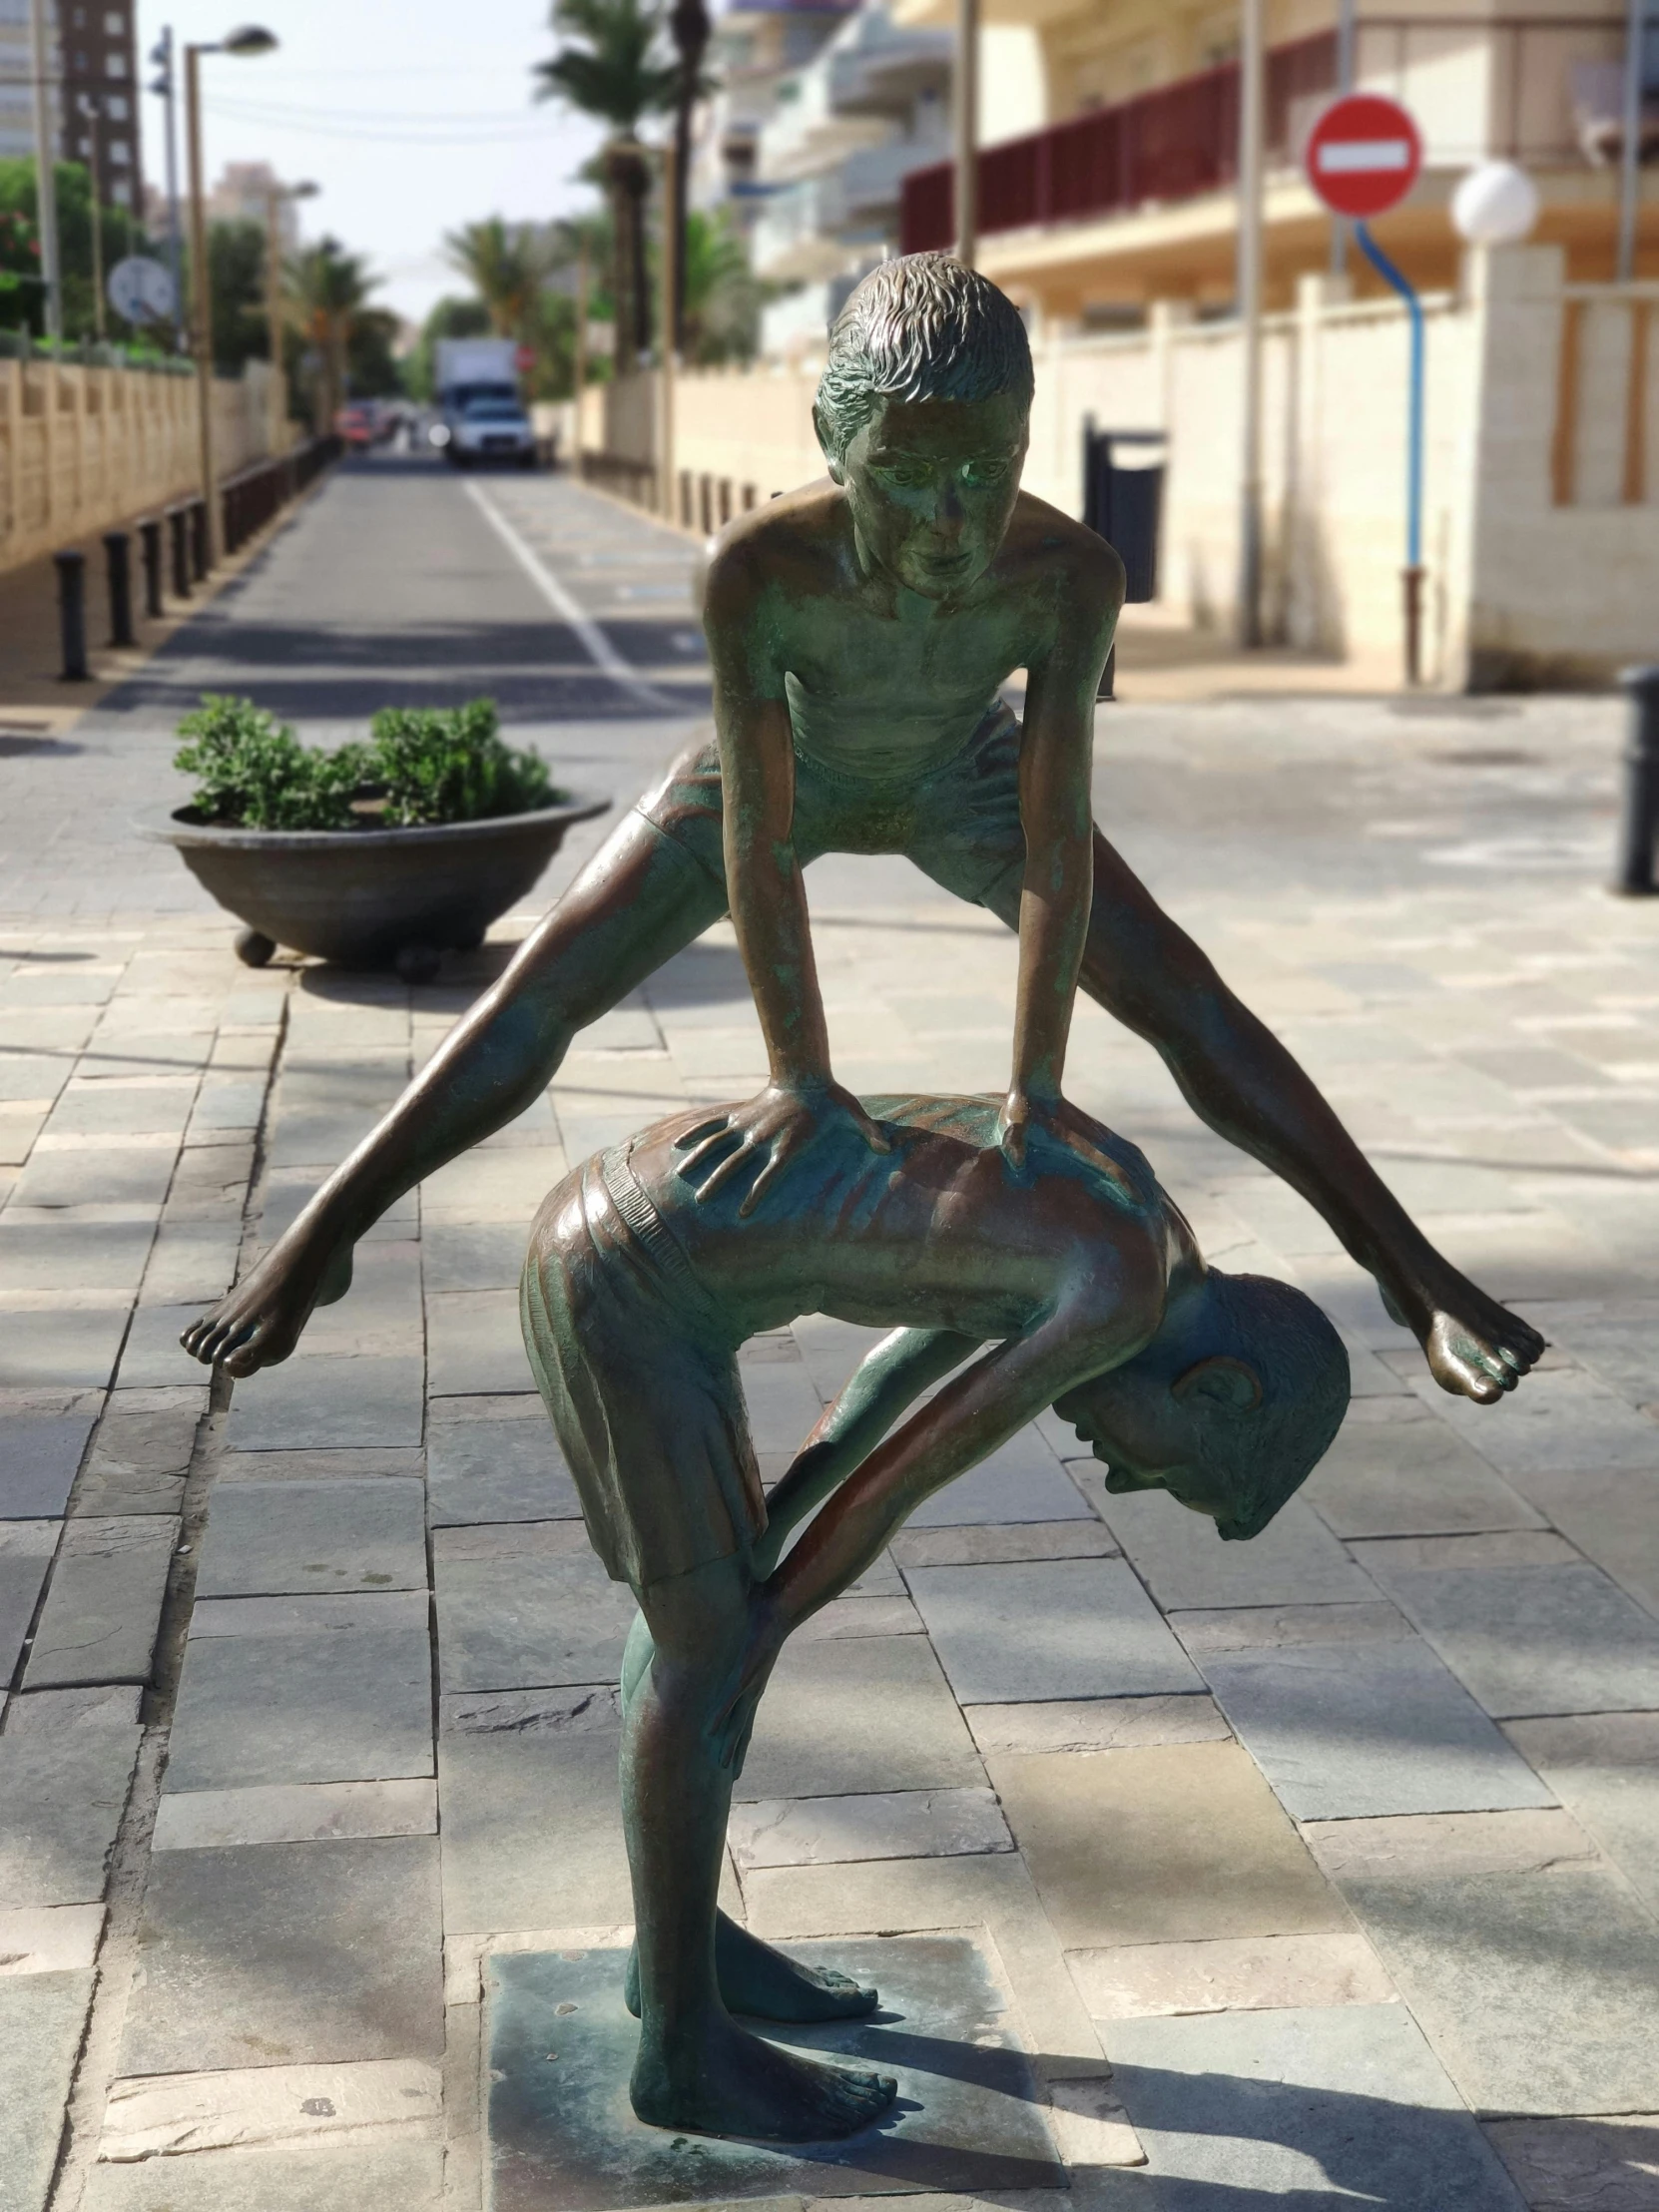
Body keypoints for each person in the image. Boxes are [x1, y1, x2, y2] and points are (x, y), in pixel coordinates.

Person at [183, 253, 1541, 1409]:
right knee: (537, 999)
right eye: (903, 476)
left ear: (1024, 443)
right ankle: (323, 1235)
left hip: (965, 783)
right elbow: (760, 841)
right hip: (787, 768)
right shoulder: (760, 569)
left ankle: (1413, 1275)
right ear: (834, 450)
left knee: (1192, 1001)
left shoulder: (1069, 575)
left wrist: (1036, 1093)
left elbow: (1054, 840)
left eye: (986, 472)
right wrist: (799, 1080)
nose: (950, 526)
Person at [503, 1090, 1347, 2144]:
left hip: (616, 1241)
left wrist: (784, 1513)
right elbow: (906, 1475)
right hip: (625, 1281)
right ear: (1219, 1390)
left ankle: (680, 1945)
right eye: (1160, 1470)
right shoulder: (1121, 1299)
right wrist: (765, 1621)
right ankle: (681, 2052)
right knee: (707, 1638)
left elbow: (906, 1360)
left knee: (709, 1604)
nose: (1119, 1478)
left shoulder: (1142, 1234)